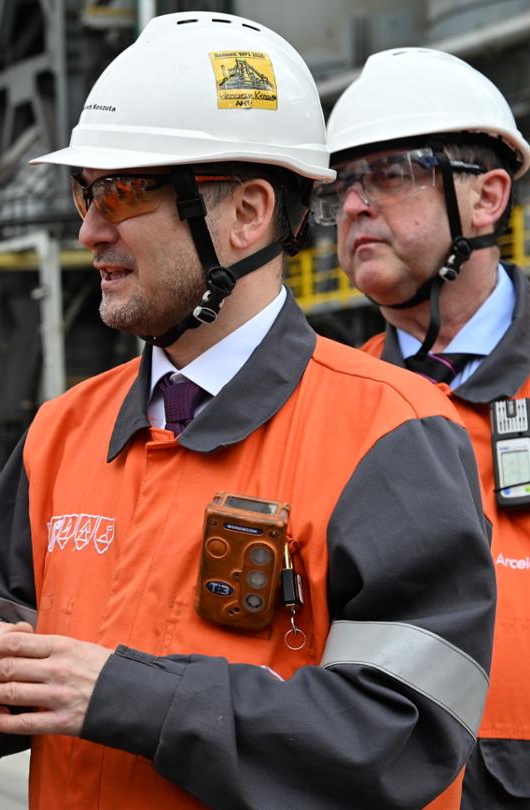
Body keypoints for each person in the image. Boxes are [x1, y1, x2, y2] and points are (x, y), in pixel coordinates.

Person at [0, 13, 496, 809]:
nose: (89, 229)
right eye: (83, 192)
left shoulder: (392, 432)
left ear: (249, 212)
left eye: (122, 192)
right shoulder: (63, 433)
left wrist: (128, 695)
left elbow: (406, 730)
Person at [323, 46, 530, 806]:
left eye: (392, 173)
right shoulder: (334, 406)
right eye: (344, 184)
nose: (353, 206)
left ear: (487, 199)